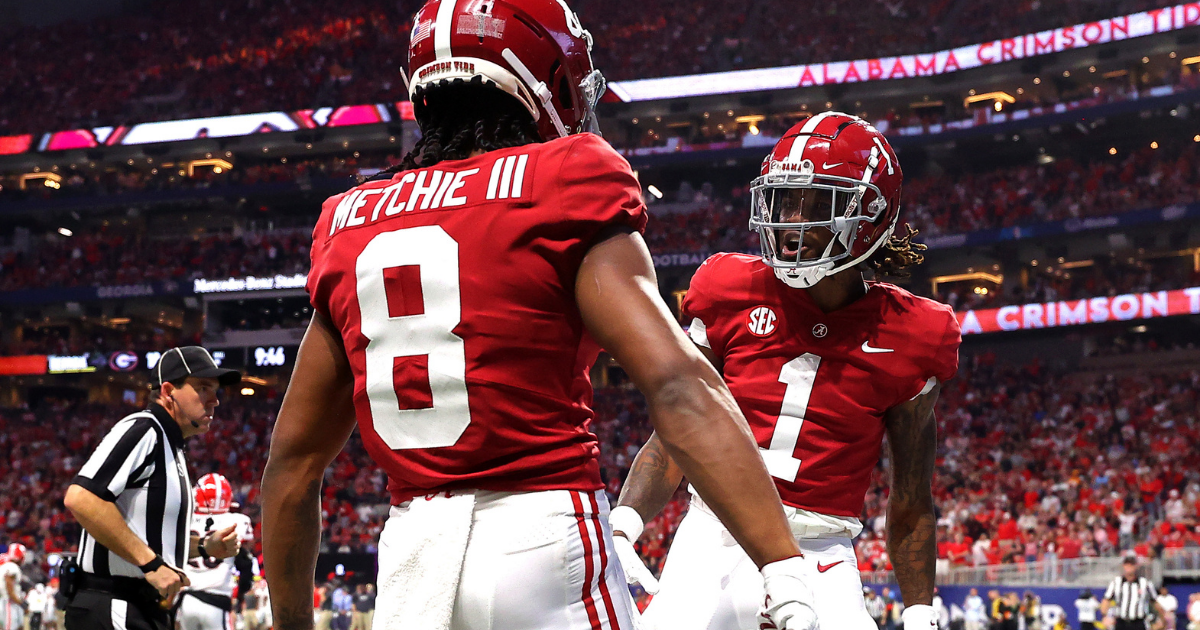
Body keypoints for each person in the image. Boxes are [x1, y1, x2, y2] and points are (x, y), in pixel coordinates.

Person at [259, 1, 815, 629]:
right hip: (545, 537)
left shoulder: (347, 218)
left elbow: (294, 463)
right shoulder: (567, 174)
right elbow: (678, 384)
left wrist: (289, 624)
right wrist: (782, 563)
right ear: (538, 75)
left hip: (411, 563)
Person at [612, 112, 960, 630]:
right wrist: (624, 523)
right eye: (786, 199)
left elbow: (911, 496)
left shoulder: (915, 333)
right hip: (713, 536)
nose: (793, 221)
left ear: (870, 215)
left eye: (820, 204)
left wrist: (919, 612)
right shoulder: (728, 286)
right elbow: (679, 431)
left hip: (821, 551)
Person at [62, 346, 243, 630]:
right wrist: (151, 566)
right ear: (169, 391)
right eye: (203, 388)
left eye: (215, 390)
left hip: (139, 605)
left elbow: (156, 540)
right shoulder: (145, 429)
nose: (214, 401)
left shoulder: (172, 446)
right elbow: (81, 497)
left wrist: (206, 546)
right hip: (115, 601)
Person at [177, 473, 256, 630]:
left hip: (187, 599)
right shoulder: (237, 521)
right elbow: (245, 561)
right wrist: (241, 594)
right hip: (217, 600)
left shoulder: (184, 518)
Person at [1103, 557, 1159, 630]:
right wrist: (1105, 616)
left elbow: (1154, 602)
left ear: (1136, 566)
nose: (1129, 567)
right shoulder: (1116, 582)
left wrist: (1161, 618)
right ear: (1123, 566)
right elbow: (1106, 600)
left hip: (1138, 622)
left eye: (1131, 565)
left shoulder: (1145, 583)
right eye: (1127, 565)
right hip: (1121, 622)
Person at [1, 547, 24, 630]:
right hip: (8, 601)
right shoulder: (12, 566)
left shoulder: (6, 565)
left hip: (7, 600)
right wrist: (19, 601)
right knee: (10, 627)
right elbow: (9, 586)